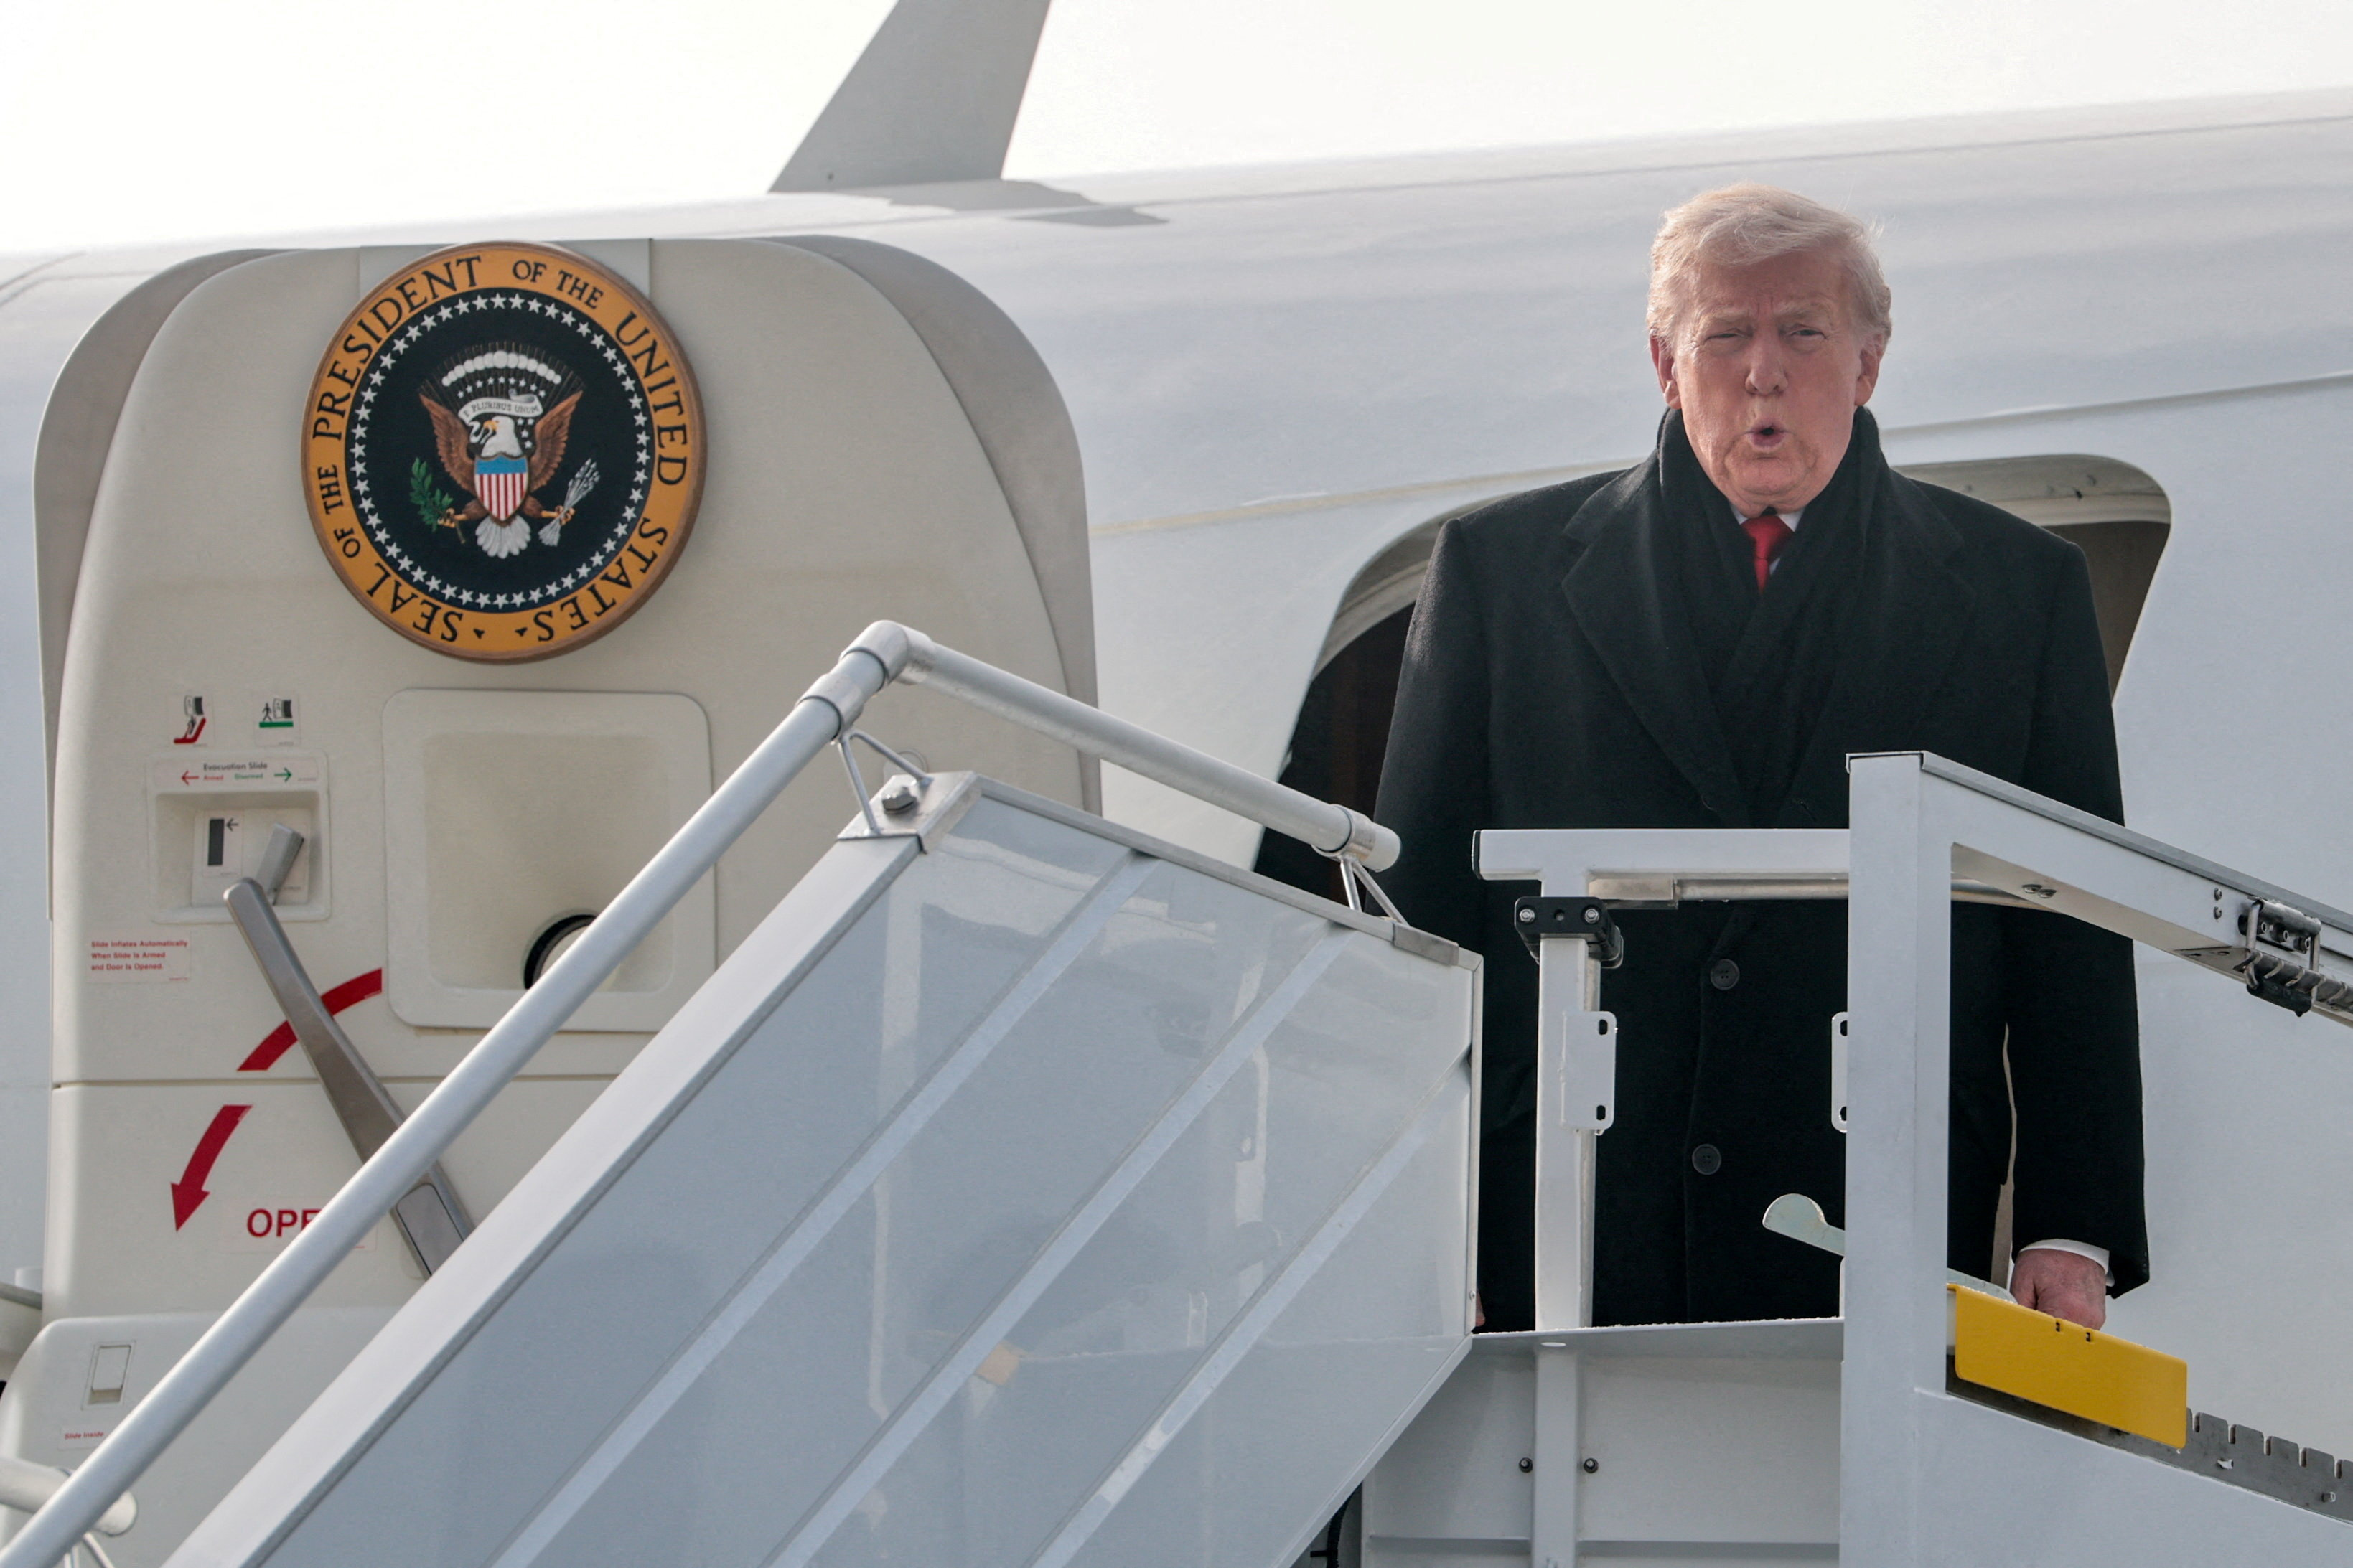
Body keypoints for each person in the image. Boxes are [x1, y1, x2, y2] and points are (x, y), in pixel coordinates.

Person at [1375, 184, 2144, 1333]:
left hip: (1875, 1205)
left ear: (1869, 361)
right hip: (1571, 1211)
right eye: (1723, 333)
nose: (1762, 371)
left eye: (1803, 330)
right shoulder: (1500, 573)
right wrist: (1420, 1221)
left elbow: (2068, 926)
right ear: (1663, 363)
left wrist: (2068, 1226)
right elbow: (1421, 922)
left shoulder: (2015, 592)